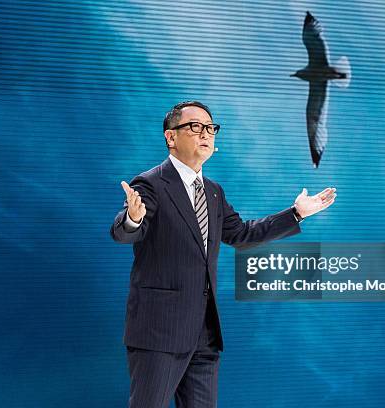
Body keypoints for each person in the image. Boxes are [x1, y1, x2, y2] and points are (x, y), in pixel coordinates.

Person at [110, 101, 336, 407]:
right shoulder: (150, 184)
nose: (205, 133)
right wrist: (133, 218)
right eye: (194, 127)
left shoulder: (213, 192)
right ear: (170, 137)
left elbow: (242, 235)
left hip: (204, 334)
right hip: (159, 332)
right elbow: (126, 232)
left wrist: (295, 214)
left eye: (210, 128)